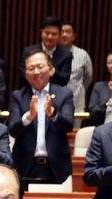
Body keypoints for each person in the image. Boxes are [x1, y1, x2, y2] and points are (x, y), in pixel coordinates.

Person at [8, 48, 74, 189]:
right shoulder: (18, 96)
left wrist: (52, 113)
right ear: (26, 74)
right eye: (31, 68)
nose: (36, 72)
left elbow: (68, 125)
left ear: (50, 69)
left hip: (55, 165)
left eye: (40, 66)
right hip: (26, 165)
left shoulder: (64, 94)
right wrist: (28, 117)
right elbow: (13, 129)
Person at [59, 20, 93, 127]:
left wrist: (79, 90)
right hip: (55, 103)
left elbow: (88, 77)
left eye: (68, 32)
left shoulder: (82, 55)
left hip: (76, 103)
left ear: (73, 36)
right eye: (62, 32)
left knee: (75, 136)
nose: (64, 35)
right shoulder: (52, 55)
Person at [24, 16, 72, 86]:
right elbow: (23, 74)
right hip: (32, 91)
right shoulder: (28, 51)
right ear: (41, 32)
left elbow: (65, 79)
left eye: (54, 34)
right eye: (47, 33)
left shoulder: (66, 54)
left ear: (59, 34)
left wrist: (52, 71)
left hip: (57, 93)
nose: (50, 37)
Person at [88, 47, 112, 126]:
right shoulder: (99, 86)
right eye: (109, 62)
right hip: (102, 125)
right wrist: (108, 104)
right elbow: (93, 111)